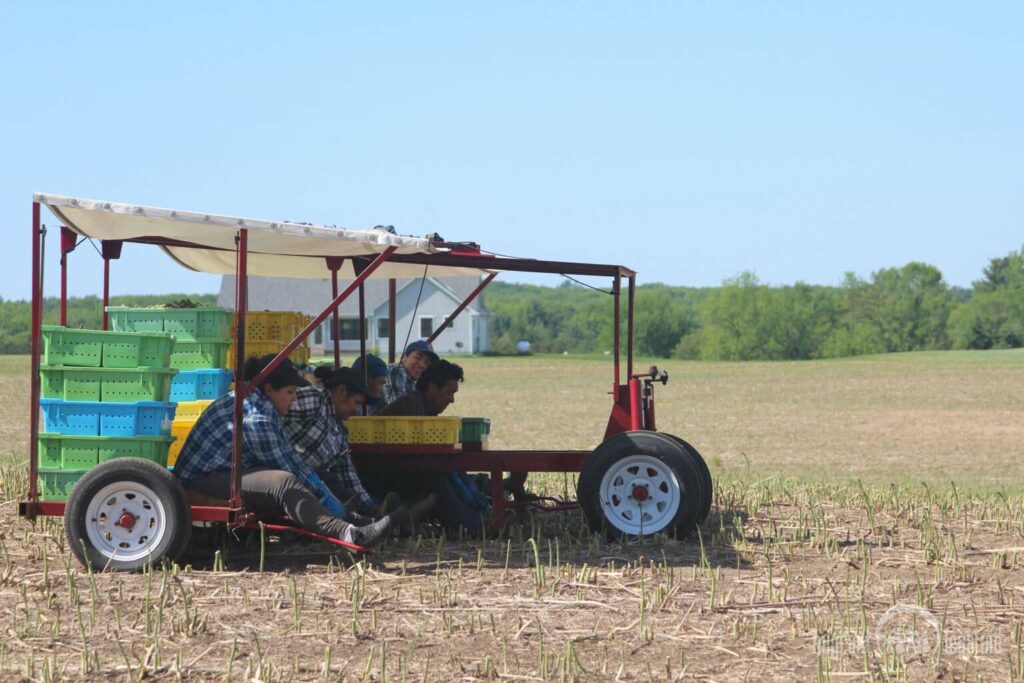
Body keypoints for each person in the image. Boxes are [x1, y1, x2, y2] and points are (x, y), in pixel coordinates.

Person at [173, 354, 426, 547]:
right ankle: (349, 533)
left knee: (314, 479)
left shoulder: (264, 407)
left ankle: (357, 521)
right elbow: (290, 466)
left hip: (225, 471)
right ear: (269, 389)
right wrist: (327, 502)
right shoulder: (258, 416)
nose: (294, 398)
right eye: (290, 392)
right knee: (283, 481)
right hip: (201, 479)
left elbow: (294, 458)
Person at [374, 360, 489, 534]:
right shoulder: (411, 407)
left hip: (401, 470)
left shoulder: (424, 408)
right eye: (448, 392)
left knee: (447, 472)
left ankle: (480, 516)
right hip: (382, 476)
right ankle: (475, 527)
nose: (452, 399)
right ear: (432, 387)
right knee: (437, 478)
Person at [284, 365, 398, 517]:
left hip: (313, 481)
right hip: (290, 473)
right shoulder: (314, 400)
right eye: (356, 402)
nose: (357, 410)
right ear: (342, 391)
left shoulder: (340, 430)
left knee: (336, 483)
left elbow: (347, 472)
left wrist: (368, 502)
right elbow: (276, 410)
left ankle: (371, 511)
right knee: (329, 480)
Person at [381, 340, 437, 405]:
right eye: (418, 358)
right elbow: (399, 408)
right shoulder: (395, 372)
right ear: (404, 357)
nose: (422, 365)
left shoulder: (410, 381)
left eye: (427, 362)